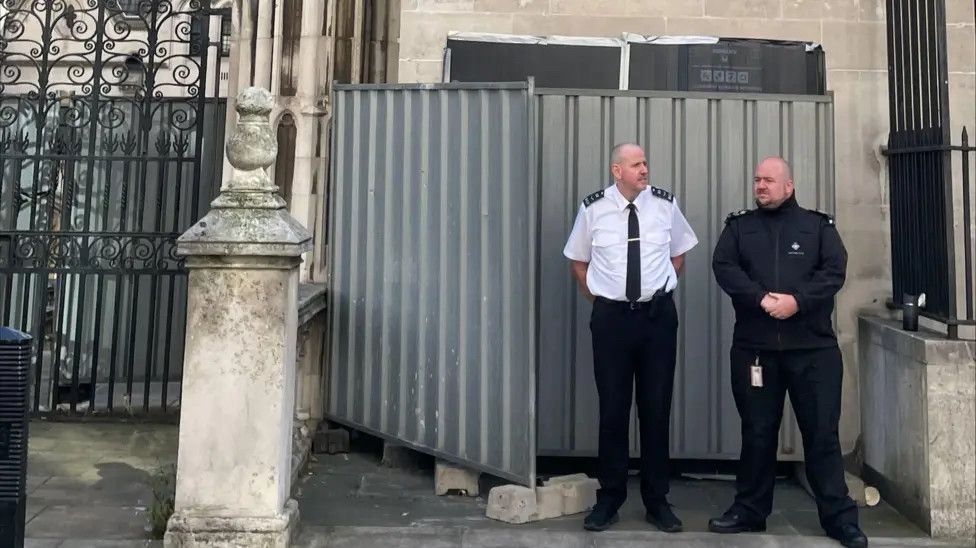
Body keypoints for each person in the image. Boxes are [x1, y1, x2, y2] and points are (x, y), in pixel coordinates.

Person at [709, 157, 868, 548]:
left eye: (768, 180)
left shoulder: (817, 227)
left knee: (821, 436)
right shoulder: (739, 228)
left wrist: (797, 301)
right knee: (758, 433)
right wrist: (761, 299)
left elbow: (834, 271)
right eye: (756, 180)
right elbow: (724, 266)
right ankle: (750, 510)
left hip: (812, 350)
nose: (760, 186)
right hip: (756, 351)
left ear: (789, 186)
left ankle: (839, 519)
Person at [563, 143, 698, 533]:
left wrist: (657, 292)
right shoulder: (593, 209)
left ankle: (658, 501)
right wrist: (605, 297)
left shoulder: (665, 205)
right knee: (613, 410)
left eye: (645, 163)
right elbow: (578, 261)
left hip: (657, 320)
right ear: (616, 170)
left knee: (656, 410)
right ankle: (610, 499)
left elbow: (678, 255)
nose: (644, 169)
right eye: (636, 164)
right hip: (612, 321)